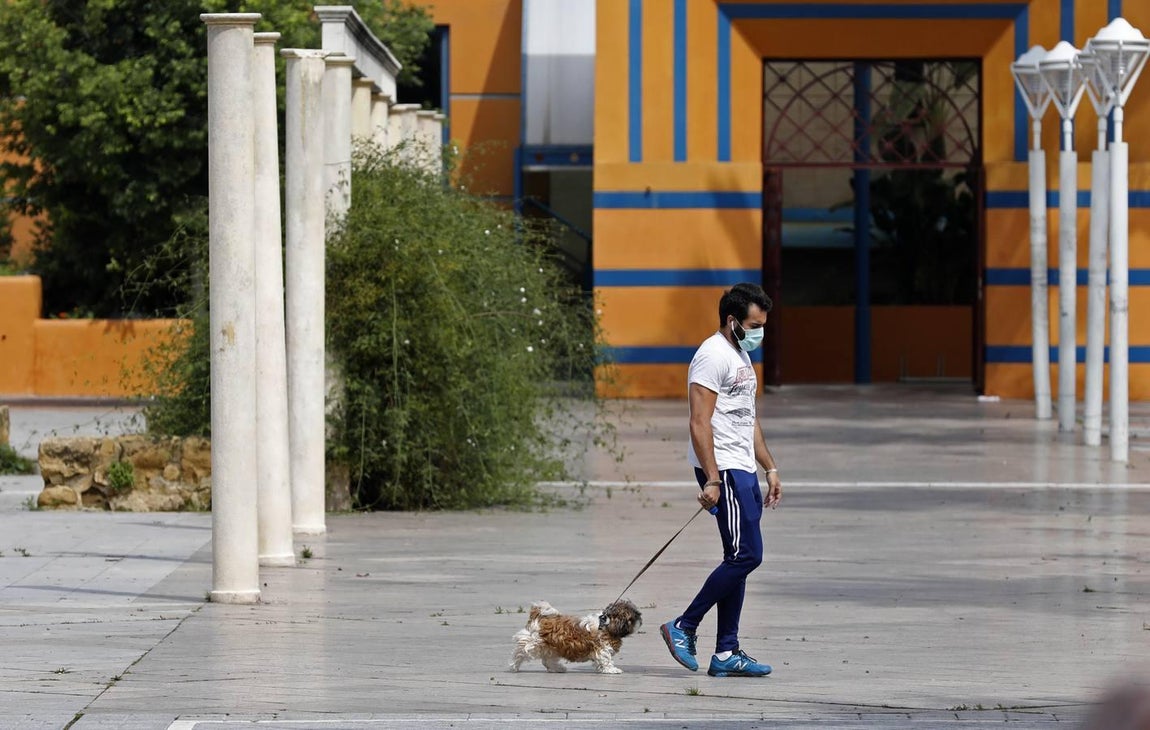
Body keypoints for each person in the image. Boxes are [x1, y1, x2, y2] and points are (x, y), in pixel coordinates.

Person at [660, 282, 782, 678]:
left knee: (739, 559)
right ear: (733, 321)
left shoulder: (739, 355)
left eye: (764, 324)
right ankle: (684, 625)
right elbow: (699, 421)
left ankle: (726, 652)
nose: (760, 332)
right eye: (754, 324)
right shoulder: (712, 356)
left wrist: (769, 467)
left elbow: (747, 418)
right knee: (748, 555)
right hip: (724, 469)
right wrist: (712, 479)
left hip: (742, 466)